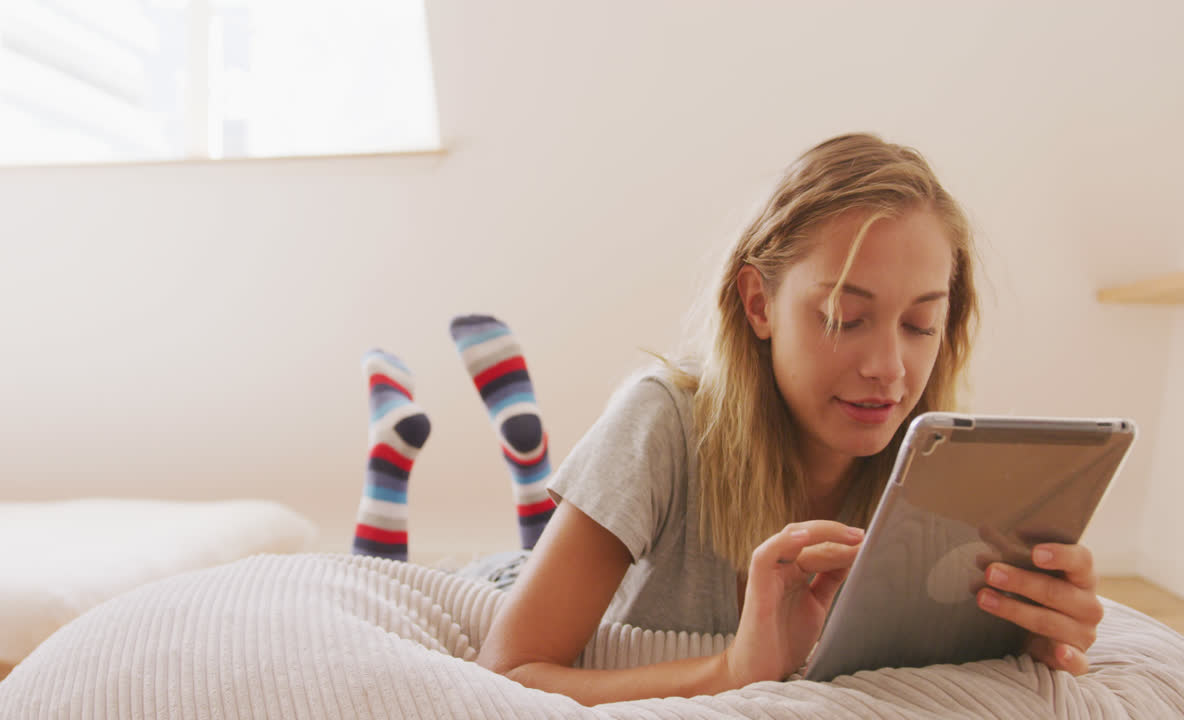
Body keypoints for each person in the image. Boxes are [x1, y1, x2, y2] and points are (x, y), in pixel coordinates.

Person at [465, 133, 1104, 705]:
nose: (889, 367)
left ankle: (544, 492)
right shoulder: (662, 420)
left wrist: (1028, 636)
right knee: (510, 563)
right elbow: (509, 674)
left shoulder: (937, 466)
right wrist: (734, 670)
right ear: (758, 303)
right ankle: (537, 483)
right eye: (842, 319)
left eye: (919, 325)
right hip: (536, 555)